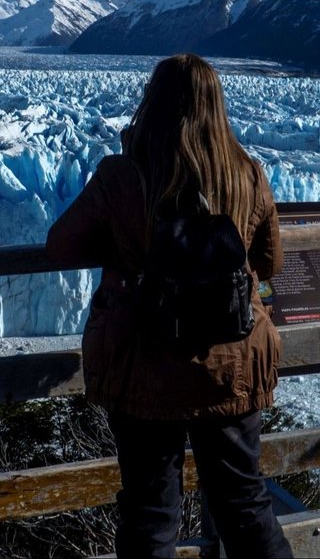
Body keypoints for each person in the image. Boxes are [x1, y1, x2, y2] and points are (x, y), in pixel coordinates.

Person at [46, 54, 293, 559]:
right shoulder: (246, 173)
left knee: (150, 512)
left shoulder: (123, 176)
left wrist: (123, 255)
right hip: (231, 360)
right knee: (244, 503)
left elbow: (61, 245)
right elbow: (269, 261)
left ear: (151, 104)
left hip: (145, 360)